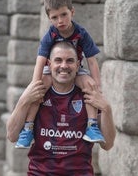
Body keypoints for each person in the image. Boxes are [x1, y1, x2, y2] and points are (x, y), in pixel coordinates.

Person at [6, 41, 116, 175]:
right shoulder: (37, 95)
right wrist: (24, 100)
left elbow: (108, 144)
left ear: (77, 65)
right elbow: (12, 136)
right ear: (49, 64)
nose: (64, 66)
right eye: (58, 60)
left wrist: (107, 108)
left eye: (70, 61)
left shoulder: (88, 96)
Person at [15, 0, 105, 148]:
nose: (60, 21)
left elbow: (92, 62)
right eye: (54, 17)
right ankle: (28, 129)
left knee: (90, 85)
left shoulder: (81, 34)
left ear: (72, 12)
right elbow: (40, 62)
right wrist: (35, 85)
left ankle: (92, 126)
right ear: (49, 19)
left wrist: (97, 85)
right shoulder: (50, 35)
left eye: (64, 15)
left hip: (75, 69)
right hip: (51, 70)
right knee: (38, 89)